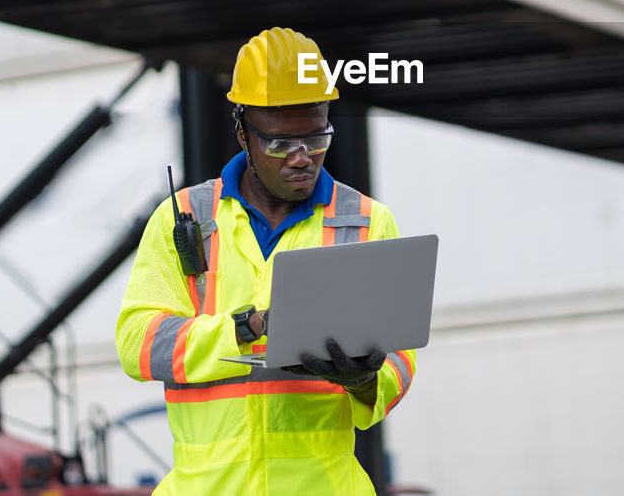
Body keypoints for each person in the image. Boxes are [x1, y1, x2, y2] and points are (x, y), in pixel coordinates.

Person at [115, 27, 416, 495]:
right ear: (243, 133)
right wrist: (246, 327)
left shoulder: (365, 222)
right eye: (280, 144)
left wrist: (364, 381)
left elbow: (401, 357)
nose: (302, 159)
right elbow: (138, 343)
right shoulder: (185, 219)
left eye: (317, 138)